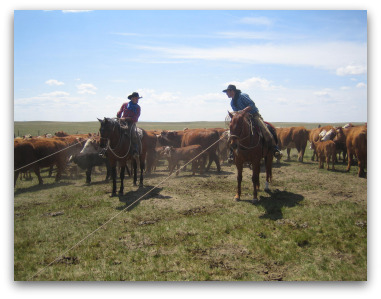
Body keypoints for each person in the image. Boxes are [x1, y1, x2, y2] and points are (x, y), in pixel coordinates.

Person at [223, 84, 282, 161]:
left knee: (265, 130)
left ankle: (275, 149)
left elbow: (252, 104)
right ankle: (232, 152)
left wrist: (244, 111)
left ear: (232, 91)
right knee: (232, 134)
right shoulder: (232, 102)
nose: (227, 94)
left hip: (253, 116)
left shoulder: (242, 96)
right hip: (242, 119)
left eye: (227, 92)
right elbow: (236, 113)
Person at [116, 91, 143, 159]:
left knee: (134, 134)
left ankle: (135, 150)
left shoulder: (138, 107)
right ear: (132, 98)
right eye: (136, 98)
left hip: (131, 123)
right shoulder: (125, 104)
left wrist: (125, 118)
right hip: (121, 122)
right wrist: (118, 117)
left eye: (138, 98)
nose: (137, 100)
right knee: (113, 130)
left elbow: (135, 118)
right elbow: (120, 112)